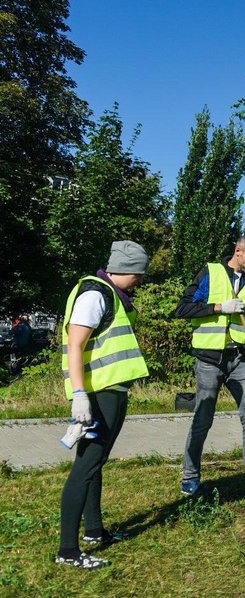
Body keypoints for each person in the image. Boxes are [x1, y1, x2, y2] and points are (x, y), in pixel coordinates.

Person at [55, 241, 151, 570]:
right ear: (124, 270)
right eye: (138, 273)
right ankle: (68, 550)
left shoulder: (114, 296)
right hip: (96, 394)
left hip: (111, 391)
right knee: (86, 466)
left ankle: (95, 531)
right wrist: (79, 394)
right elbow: (75, 344)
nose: (140, 279)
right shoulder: (95, 294)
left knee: (96, 463)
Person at [175, 234, 245, 501]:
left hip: (239, 359)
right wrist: (219, 307)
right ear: (238, 251)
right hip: (209, 359)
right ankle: (190, 479)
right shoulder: (211, 273)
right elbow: (183, 308)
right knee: (203, 418)